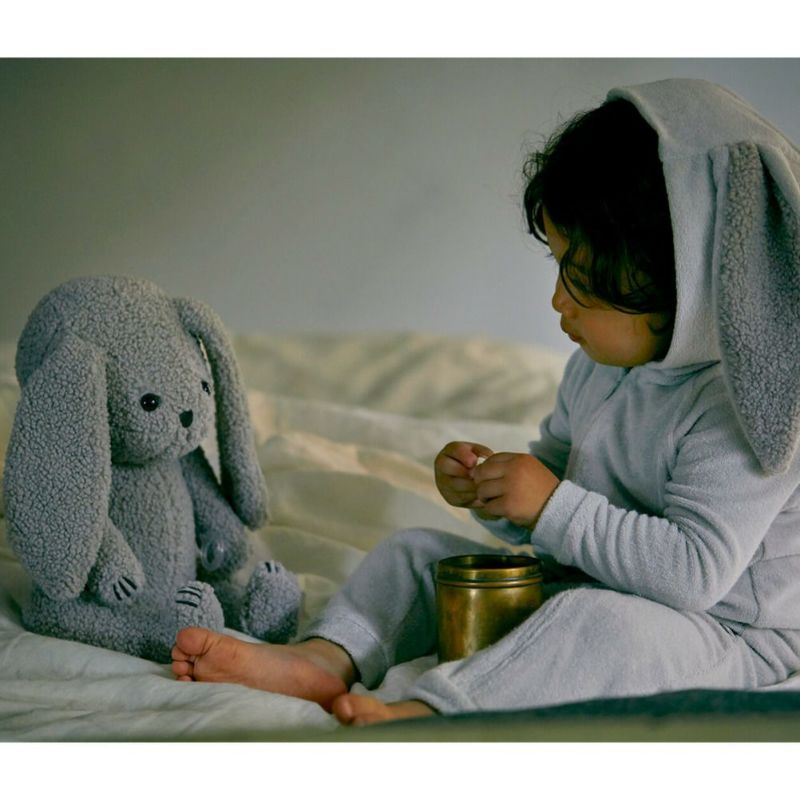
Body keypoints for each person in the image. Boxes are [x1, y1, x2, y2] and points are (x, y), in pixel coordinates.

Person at [171, 78, 800, 726]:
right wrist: (496, 489)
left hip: (724, 634)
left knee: (597, 625)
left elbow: (693, 573)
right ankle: (324, 659)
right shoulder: (599, 367)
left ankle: (434, 712)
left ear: (690, 281)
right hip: (593, 579)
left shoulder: (748, 409)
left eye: (582, 282)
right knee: (415, 556)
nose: (558, 302)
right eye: (559, 268)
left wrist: (550, 505)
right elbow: (555, 479)